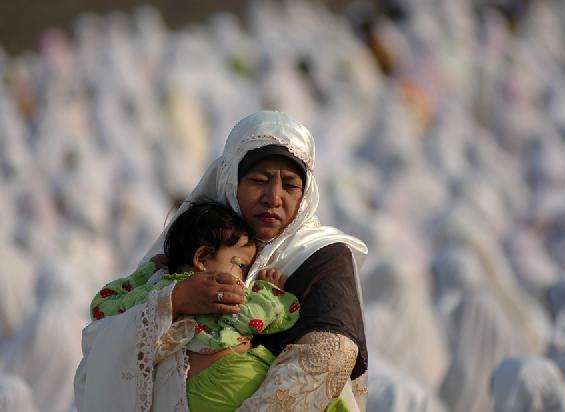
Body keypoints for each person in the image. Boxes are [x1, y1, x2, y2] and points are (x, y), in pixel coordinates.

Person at [74, 110, 368, 411]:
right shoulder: (200, 239)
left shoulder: (322, 256)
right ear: (231, 180)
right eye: (260, 180)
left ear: (305, 193)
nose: (273, 197)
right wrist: (174, 301)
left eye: (290, 185)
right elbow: (104, 339)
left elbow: (328, 357)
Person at [88, 201, 301, 411]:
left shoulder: (156, 291)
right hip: (230, 379)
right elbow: (271, 317)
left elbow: (102, 306)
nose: (245, 279)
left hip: (187, 393)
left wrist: (147, 273)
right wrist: (271, 291)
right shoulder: (223, 292)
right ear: (202, 258)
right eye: (241, 266)